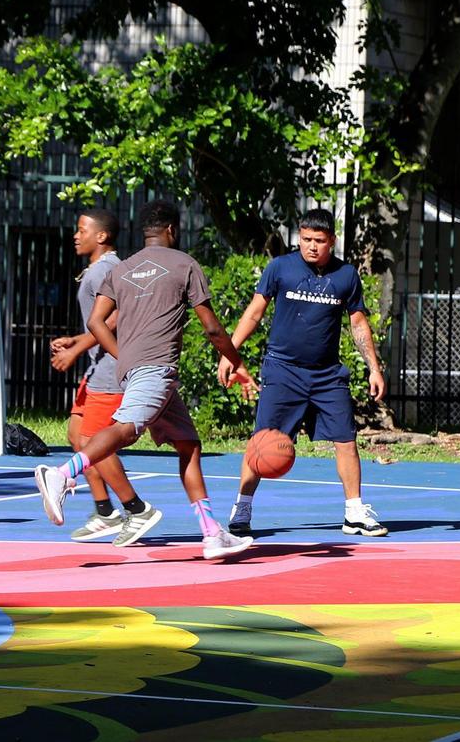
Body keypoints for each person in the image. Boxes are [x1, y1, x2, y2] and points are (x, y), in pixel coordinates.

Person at [34, 199, 256, 561]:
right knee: (125, 428)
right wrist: (236, 361)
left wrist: (124, 356)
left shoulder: (122, 269)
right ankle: (62, 473)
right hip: (158, 367)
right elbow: (212, 328)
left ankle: (213, 533)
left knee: (188, 444)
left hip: (144, 370)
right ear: (171, 229)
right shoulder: (185, 264)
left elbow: (95, 323)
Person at [217, 207, 389, 538]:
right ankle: (243, 508)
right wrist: (230, 352)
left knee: (346, 440)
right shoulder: (281, 267)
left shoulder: (346, 276)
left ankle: (354, 512)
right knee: (261, 442)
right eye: (306, 239)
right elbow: (254, 313)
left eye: (319, 241)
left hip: (327, 375)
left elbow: (358, 324)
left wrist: (374, 369)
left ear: (332, 241)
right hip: (283, 371)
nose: (311, 246)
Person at [49, 208, 161, 546]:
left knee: (94, 441)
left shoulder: (108, 270)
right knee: (76, 433)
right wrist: (78, 341)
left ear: (102, 236)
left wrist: (77, 349)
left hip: (111, 368)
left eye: (82, 229)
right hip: (96, 365)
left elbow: (115, 317)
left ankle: (136, 508)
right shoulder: (98, 270)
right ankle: (105, 511)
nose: (75, 235)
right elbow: (98, 321)